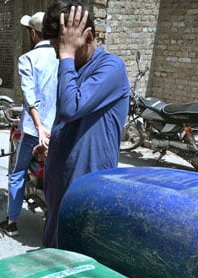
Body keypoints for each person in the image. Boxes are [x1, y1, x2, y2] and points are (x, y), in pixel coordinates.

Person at [40, 1, 130, 248]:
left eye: (65, 47)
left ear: (88, 36)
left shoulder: (111, 67)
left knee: (76, 266)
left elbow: (71, 107)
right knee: (52, 258)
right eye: (57, 48)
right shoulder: (71, 67)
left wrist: (67, 56)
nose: (60, 55)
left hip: (88, 193)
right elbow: (64, 119)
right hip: (60, 188)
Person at [0, 11, 58, 237]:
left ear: (33, 33)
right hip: (58, 132)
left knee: (17, 173)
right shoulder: (64, 58)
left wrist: (37, 124)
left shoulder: (27, 59)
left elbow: (28, 95)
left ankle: (11, 222)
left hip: (35, 131)